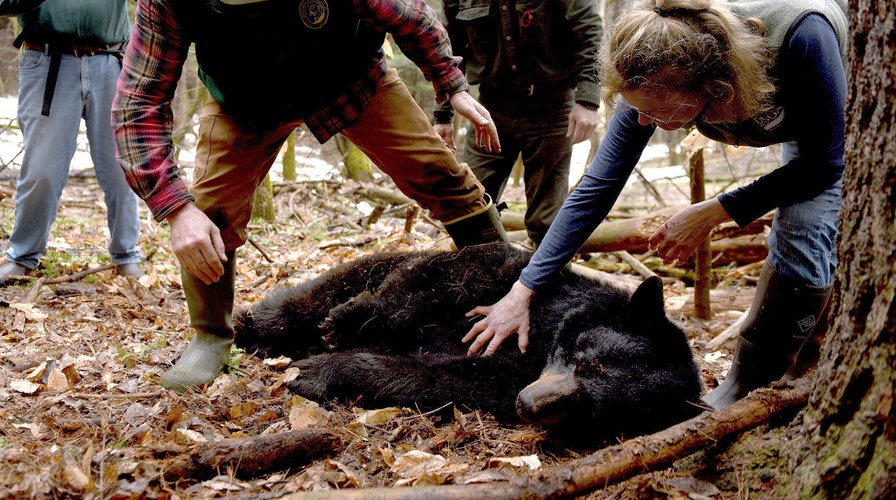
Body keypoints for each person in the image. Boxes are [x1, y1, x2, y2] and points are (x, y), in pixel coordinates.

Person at [461, 0, 847, 410]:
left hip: (831, 114)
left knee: (804, 231)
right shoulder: (649, 80)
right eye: (638, 110)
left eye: (657, 111)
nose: (644, 122)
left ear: (711, 87)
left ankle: (753, 384)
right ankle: (795, 370)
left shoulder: (803, 37)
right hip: (782, 115)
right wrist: (524, 289)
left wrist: (716, 211)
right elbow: (597, 187)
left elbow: (824, 164)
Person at [113, 0, 508, 393]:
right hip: (245, 103)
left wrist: (451, 85)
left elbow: (411, 17)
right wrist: (176, 207)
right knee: (211, 210)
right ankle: (210, 335)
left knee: (443, 176)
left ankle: (509, 290)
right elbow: (139, 101)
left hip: (352, 81)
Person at [433, 0, 602, 245]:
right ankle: (484, 275)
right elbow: (449, 49)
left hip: (552, 108)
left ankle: (547, 281)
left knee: (547, 221)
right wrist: (443, 113)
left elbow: (590, 36)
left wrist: (588, 101)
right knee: (467, 207)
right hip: (491, 107)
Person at [0, 0, 143, 284]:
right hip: (47, 59)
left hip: (111, 59)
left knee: (121, 166)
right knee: (41, 170)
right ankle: (23, 255)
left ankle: (126, 254)